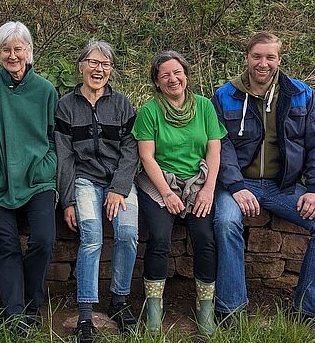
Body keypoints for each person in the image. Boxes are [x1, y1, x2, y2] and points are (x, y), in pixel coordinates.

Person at [212, 32, 315, 322]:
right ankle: (230, 310)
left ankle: (306, 310)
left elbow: (313, 143)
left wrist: (313, 189)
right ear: (247, 57)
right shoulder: (225, 95)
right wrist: (235, 186)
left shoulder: (301, 95)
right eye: (257, 56)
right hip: (236, 185)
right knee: (226, 222)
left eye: (270, 57)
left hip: (282, 186)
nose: (263, 63)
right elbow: (220, 145)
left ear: (279, 60)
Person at [0, 21, 58, 329]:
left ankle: (34, 303)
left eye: (18, 49)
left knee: (44, 240)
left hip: (37, 182)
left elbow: (55, 137)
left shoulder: (46, 90)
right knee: (6, 246)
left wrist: (43, 168)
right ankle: (15, 313)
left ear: (29, 51)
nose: (12, 55)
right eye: (6, 49)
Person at [132, 51, 227, 335]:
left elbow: (214, 149)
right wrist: (168, 194)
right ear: (157, 82)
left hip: (198, 182)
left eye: (178, 73)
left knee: (205, 238)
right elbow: (147, 157)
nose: (173, 79)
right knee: (160, 238)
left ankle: (205, 307)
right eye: (165, 76)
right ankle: (153, 307)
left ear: (186, 75)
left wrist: (208, 189)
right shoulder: (150, 111)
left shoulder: (205, 107)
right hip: (161, 182)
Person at [55, 40, 139, 342]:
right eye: (93, 62)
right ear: (81, 66)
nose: (98, 69)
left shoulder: (122, 105)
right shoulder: (66, 105)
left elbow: (131, 149)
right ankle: (86, 313)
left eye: (105, 64)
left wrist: (119, 188)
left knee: (128, 234)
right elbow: (64, 156)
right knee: (91, 235)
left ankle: (119, 301)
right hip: (84, 180)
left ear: (111, 70)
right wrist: (67, 200)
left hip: (119, 181)